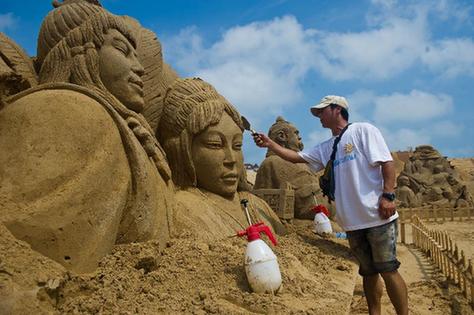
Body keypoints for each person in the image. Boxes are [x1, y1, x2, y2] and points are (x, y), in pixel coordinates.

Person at [0, 1, 174, 273]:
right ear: (81, 52)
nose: (139, 68)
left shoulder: (117, 126)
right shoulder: (71, 112)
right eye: (121, 50)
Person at [253, 95, 408, 315]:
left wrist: (388, 196)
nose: (318, 117)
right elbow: (296, 157)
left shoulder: (363, 131)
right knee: (368, 272)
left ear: (337, 110)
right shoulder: (328, 147)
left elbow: (387, 163)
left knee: (389, 269)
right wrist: (270, 144)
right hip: (353, 224)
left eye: (321, 112)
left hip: (377, 215)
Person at [159, 78, 285, 240]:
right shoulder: (182, 209)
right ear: (183, 150)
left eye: (237, 146)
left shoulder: (256, 205)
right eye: (215, 144)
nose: (231, 159)